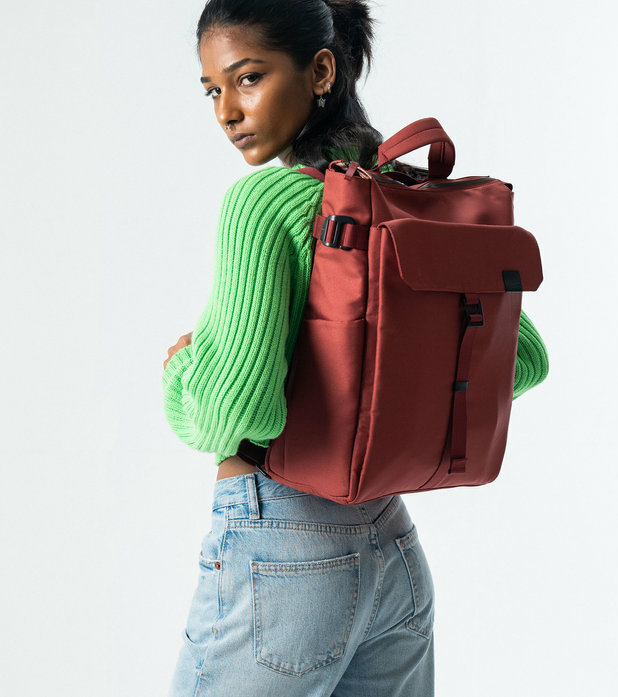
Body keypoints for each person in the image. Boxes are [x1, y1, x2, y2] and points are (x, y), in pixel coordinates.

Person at [162, 1, 550, 695]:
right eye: (212, 89)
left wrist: (183, 368)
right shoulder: (407, 196)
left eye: (248, 78)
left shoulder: (261, 202)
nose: (226, 111)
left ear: (320, 71)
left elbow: (234, 413)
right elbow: (522, 358)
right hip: (392, 551)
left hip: (280, 547)